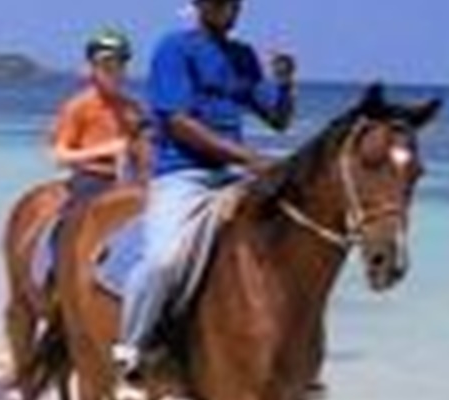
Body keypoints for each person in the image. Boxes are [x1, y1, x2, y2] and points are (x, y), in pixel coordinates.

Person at [113, 0, 296, 394]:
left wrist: (284, 83)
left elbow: (279, 119)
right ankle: (131, 353)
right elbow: (178, 123)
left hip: (233, 176)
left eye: (235, 2)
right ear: (199, 5)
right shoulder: (175, 48)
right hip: (183, 174)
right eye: (219, 1)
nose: (229, 8)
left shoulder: (242, 56)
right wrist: (248, 158)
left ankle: (291, 356)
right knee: (164, 261)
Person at [45, 29, 144, 269]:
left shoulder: (134, 108)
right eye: (106, 64)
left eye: (119, 64)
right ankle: (57, 274)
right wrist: (106, 150)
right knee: (70, 225)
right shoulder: (79, 106)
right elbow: (59, 155)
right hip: (92, 178)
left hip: (130, 180)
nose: (113, 71)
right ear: (92, 68)